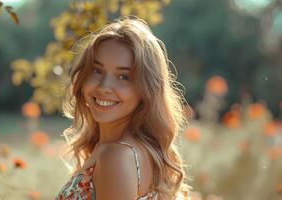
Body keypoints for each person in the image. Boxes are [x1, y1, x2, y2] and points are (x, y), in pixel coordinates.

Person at [56, 16, 190, 200]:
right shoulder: (124, 150)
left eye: (123, 77)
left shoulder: (116, 156)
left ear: (146, 89)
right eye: (97, 70)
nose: (104, 86)